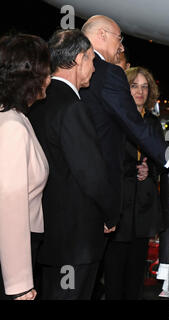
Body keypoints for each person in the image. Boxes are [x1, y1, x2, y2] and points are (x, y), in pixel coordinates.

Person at [28, 29, 120, 300]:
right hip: (75, 239)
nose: (93, 68)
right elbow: (90, 173)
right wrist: (110, 214)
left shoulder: (36, 103)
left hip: (46, 233)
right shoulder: (72, 107)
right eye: (92, 60)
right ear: (79, 59)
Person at [79, 15, 169, 227]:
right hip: (99, 182)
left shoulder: (68, 68)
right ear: (102, 35)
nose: (120, 47)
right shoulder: (108, 73)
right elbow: (132, 122)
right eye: (119, 39)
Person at [104, 66, 166, 299]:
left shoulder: (152, 122)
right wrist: (133, 168)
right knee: (114, 269)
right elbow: (109, 158)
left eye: (144, 86)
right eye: (134, 86)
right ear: (124, 89)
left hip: (143, 205)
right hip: (120, 202)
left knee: (137, 271)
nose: (140, 91)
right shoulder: (115, 118)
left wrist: (150, 168)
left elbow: (162, 158)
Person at [0, 34, 51, 300]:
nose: (49, 78)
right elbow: (9, 205)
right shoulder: (12, 125)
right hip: (14, 253)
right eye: (45, 71)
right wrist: (19, 284)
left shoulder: (16, 117)